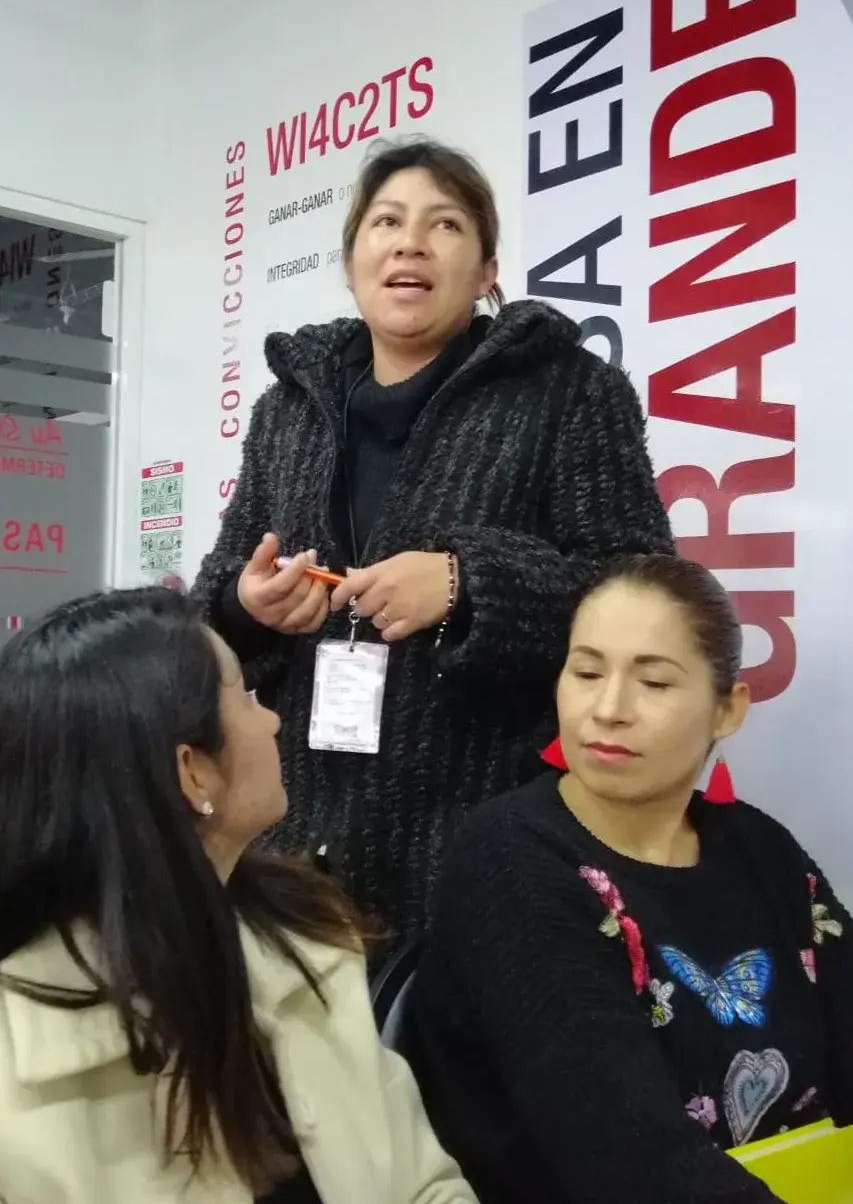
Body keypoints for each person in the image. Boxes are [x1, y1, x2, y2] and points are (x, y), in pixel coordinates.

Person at [192, 136, 674, 951]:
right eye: (385, 222)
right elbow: (221, 579)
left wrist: (466, 587)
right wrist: (247, 603)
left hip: (487, 835)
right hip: (295, 838)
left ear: (487, 270)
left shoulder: (569, 391)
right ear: (351, 262)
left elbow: (643, 595)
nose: (410, 241)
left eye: (444, 225)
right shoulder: (289, 409)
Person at [0, 587, 476, 1204]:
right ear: (191, 770)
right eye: (245, 699)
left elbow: (422, 1187)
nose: (273, 718)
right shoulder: (20, 1068)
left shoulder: (306, 938)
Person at [404, 553, 853, 1203]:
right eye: (585, 672)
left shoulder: (760, 850)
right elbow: (633, 1164)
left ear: (726, 709)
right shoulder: (509, 862)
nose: (608, 708)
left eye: (654, 683)